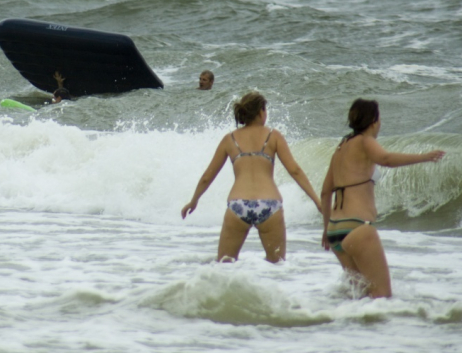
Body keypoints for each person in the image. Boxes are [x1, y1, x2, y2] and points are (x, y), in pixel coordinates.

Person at [320, 98, 445, 298]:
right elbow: (386, 159)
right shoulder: (365, 141)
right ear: (373, 121)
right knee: (382, 296)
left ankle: (344, 327)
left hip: (336, 229)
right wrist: (424, 157)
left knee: (359, 295)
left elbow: (326, 192)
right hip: (357, 227)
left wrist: (326, 229)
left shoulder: (341, 147)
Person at [181, 91, 321, 262]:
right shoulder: (273, 136)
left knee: (224, 264)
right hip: (269, 205)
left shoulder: (229, 139)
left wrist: (194, 200)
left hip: (238, 205)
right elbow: (295, 170)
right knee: (277, 267)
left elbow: (207, 176)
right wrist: (316, 200)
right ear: (261, 112)